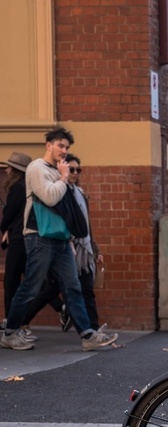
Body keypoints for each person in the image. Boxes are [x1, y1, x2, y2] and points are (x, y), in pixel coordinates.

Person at [0, 127, 117, 351]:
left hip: (61, 239)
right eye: (60, 146)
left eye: (67, 147)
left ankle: (87, 335)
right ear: (49, 145)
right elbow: (50, 198)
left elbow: (66, 208)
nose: (63, 151)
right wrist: (63, 178)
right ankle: (11, 332)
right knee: (31, 287)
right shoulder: (37, 168)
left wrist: (71, 240)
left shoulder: (56, 170)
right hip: (40, 236)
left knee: (73, 286)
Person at [19, 154, 99, 332]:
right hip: (59, 243)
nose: (75, 173)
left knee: (81, 288)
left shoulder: (80, 194)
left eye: (78, 170)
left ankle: (91, 330)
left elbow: (86, 225)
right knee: (40, 286)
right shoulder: (59, 191)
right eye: (71, 169)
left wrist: (95, 248)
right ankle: (17, 324)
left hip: (80, 249)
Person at [1, 152, 33, 331]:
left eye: (9, 167)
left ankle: (10, 320)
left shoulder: (18, 188)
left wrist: (4, 228)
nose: (6, 170)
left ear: (15, 171)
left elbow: (8, 215)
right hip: (26, 237)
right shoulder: (27, 187)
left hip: (18, 239)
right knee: (31, 279)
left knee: (11, 280)